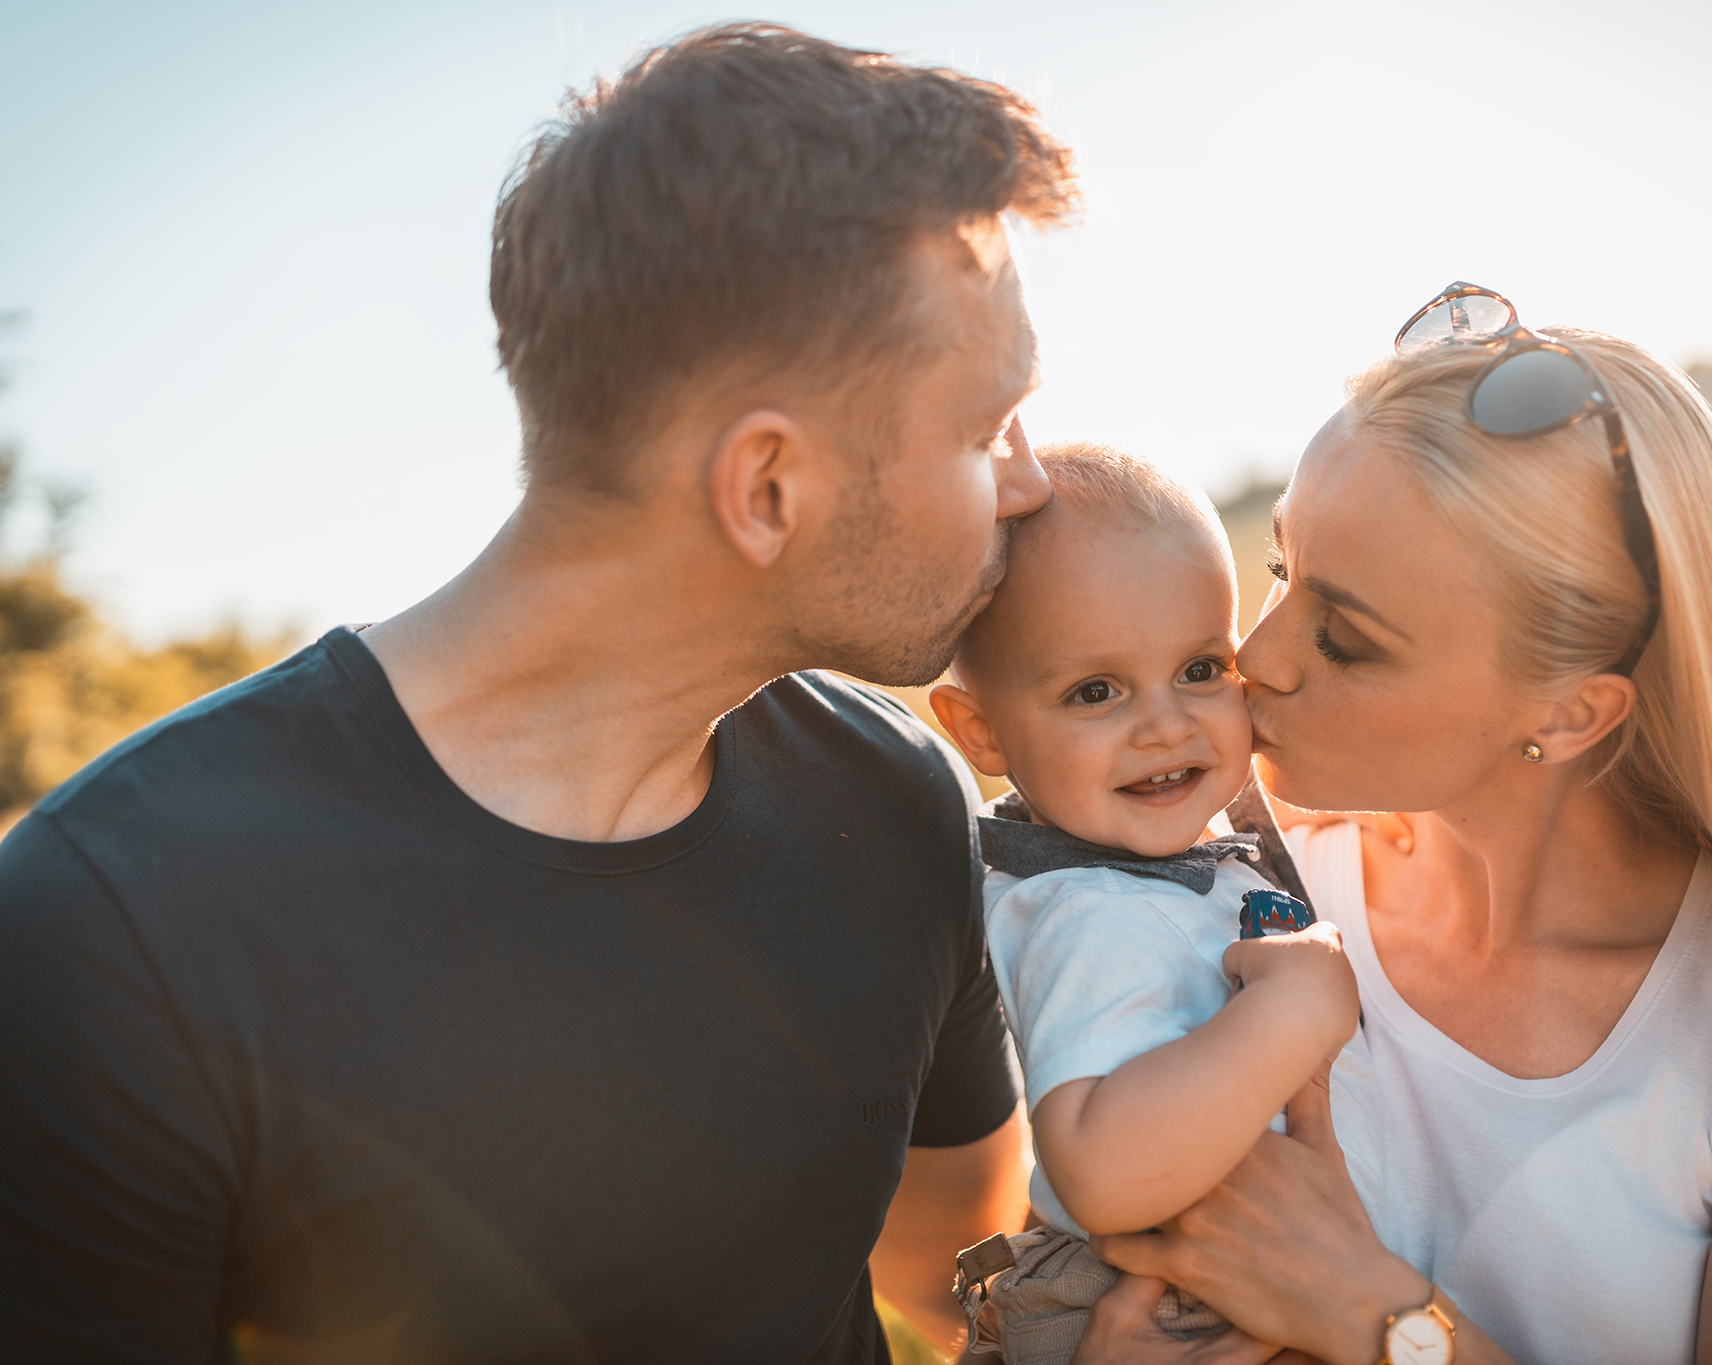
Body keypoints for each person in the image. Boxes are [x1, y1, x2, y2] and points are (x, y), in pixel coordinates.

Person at [0, 24, 1079, 1362]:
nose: (1028, 483)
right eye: (986, 432)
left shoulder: (900, 799)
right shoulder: (112, 926)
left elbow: (953, 1276)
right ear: (768, 490)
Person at [1076, 286, 1712, 1364]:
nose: (1256, 657)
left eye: (1343, 636)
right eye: (1279, 570)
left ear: (1568, 713)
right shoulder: (1217, 878)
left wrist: (1378, 1320)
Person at [927, 446, 1358, 1362]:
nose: (1167, 724)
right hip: (1147, 1304)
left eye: (1202, 669)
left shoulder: (1167, 864)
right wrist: (1300, 1001)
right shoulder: (1086, 911)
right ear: (982, 730)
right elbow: (1105, 1175)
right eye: (1096, 691)